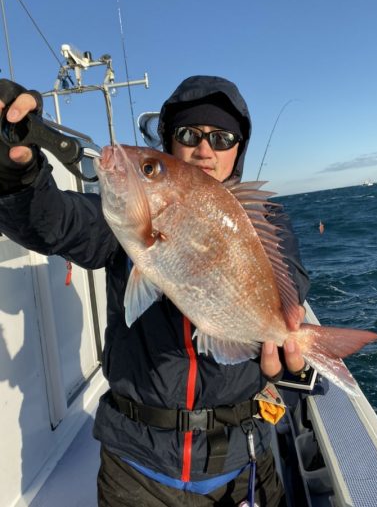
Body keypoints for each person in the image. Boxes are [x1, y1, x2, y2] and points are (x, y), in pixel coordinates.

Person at [0, 75, 310, 507]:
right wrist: (17, 175)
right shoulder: (122, 220)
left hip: (240, 465)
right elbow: (54, 222)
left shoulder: (266, 223)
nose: (205, 149)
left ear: (238, 150)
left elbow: (286, 285)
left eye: (222, 138)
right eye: (188, 135)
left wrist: (288, 346)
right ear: (169, 143)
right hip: (135, 470)